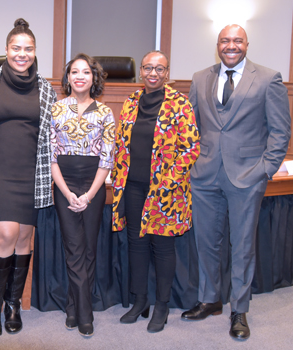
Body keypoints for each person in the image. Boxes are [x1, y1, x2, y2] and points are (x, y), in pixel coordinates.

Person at [181, 24, 290, 340]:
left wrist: (265, 169)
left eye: (237, 40)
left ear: (247, 44)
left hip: (247, 176)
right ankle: (210, 299)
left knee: (242, 246)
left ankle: (239, 310)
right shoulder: (201, 78)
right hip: (204, 175)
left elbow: (281, 131)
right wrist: (192, 165)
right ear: (217, 45)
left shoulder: (268, 78)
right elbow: (192, 127)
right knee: (206, 241)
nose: (231, 45)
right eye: (225, 40)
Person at [0, 18, 57, 336]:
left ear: (35, 52)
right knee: (5, 234)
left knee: (23, 238)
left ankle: (13, 305)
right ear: (6, 50)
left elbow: (51, 136)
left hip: (31, 175)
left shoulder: (47, 89)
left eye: (28, 49)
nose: (22, 54)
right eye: (16, 48)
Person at [112, 51, 200, 333]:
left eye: (159, 69)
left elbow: (191, 149)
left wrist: (168, 181)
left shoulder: (179, 103)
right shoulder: (131, 102)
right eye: (148, 67)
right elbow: (121, 144)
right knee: (136, 243)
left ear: (167, 72)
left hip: (165, 191)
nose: (153, 73)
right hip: (133, 186)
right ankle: (141, 301)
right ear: (140, 71)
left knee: (162, 248)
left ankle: (162, 305)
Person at [50, 54, 114, 337]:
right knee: (74, 248)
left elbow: (107, 158)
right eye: (74, 72)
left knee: (88, 249)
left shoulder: (105, 112)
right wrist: (66, 193)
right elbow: (50, 157)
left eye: (85, 72)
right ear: (68, 78)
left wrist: (88, 195)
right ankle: (85, 314)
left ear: (93, 78)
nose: (79, 76)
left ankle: (73, 306)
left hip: (94, 185)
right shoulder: (55, 109)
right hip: (64, 183)